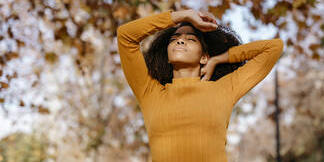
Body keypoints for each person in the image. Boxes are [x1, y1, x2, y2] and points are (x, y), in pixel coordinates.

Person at [116, 9, 283, 162]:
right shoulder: (149, 92)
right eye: (174, 39)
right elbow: (125, 35)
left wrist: (219, 58)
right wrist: (183, 15)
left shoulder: (223, 89)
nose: (180, 41)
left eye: (190, 39)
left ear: (204, 57)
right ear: (167, 56)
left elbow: (273, 48)